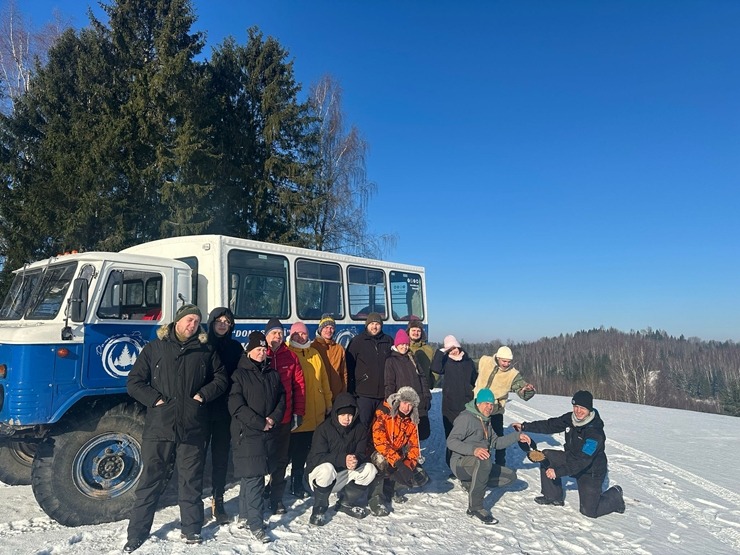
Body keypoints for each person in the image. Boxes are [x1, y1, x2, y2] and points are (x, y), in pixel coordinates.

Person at [124, 304, 228, 553]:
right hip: (160, 426)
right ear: (178, 321)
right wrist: (156, 400)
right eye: (189, 320)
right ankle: (137, 533)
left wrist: (202, 396)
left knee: (191, 480)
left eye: (197, 321)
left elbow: (221, 378)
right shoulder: (155, 348)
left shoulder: (205, 350)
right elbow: (134, 382)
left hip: (193, 427)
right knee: (150, 480)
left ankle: (192, 528)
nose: (192, 325)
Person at [512, 390, 626, 518]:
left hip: (590, 471)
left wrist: (558, 472)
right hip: (572, 459)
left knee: (589, 511)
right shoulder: (571, 419)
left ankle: (616, 495)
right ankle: (553, 496)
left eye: (582, 408)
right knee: (546, 455)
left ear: (589, 409)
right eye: (575, 407)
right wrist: (525, 427)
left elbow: (583, 460)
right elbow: (550, 425)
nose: (578, 411)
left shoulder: (595, 433)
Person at [229, 331, 286, 544]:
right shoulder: (239, 374)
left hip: (267, 431)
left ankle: (245, 515)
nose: (262, 353)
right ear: (249, 351)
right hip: (248, 432)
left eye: (264, 349)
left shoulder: (272, 374)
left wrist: (273, 418)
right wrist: (259, 422)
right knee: (254, 477)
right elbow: (235, 405)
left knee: (250, 475)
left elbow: (282, 398)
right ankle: (256, 524)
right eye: (258, 349)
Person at [447, 388, 531, 525]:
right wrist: (473, 450)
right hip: (460, 463)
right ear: (478, 403)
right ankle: (475, 507)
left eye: (491, 404)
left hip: (479, 464)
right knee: (484, 461)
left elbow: (496, 442)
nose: (489, 407)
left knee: (510, 477)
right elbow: (451, 442)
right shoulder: (465, 418)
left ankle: (471, 483)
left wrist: (517, 436)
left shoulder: (486, 421)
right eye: (486, 403)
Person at [305, 392, 378, 525]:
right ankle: (319, 510)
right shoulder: (324, 429)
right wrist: (342, 459)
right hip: (319, 476)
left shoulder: (360, 429)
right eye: (343, 415)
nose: (347, 418)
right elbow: (316, 458)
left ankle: (346, 503)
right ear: (336, 414)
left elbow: (361, 453)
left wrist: (356, 460)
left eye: (350, 415)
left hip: (343, 475)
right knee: (327, 468)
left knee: (370, 469)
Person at [205, 307, 245, 524]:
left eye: (227, 321)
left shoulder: (235, 347)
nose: (222, 324)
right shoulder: (202, 345)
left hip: (224, 411)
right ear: (211, 323)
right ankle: (192, 502)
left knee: (221, 457)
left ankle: (217, 500)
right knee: (195, 458)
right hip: (201, 410)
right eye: (219, 320)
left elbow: (243, 375)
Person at [286, 321, 333, 499]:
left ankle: (299, 481)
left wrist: (328, 402)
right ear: (291, 335)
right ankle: (278, 483)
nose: (300, 337)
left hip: (317, 413)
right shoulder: (288, 353)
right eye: (296, 334)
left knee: (306, 450)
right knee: (290, 450)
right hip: (299, 413)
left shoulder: (314, 353)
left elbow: (324, 381)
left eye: (303, 334)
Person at [264, 318, 306, 515]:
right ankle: (259, 493)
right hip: (262, 420)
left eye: (280, 333)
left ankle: (276, 498)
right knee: (261, 458)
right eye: (274, 333)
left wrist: (299, 412)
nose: (277, 337)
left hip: (285, 417)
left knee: (281, 460)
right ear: (266, 336)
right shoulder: (259, 353)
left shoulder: (290, 356)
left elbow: (299, 385)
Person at [368, 386, 429, 517]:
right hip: (378, 452)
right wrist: (399, 463)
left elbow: (414, 447)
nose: (407, 408)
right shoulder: (384, 412)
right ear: (398, 401)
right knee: (381, 460)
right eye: (405, 403)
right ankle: (375, 496)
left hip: (398, 455)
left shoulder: (412, 421)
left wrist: (408, 465)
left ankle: (391, 487)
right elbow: (379, 442)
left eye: (411, 405)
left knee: (421, 477)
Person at [475, 346, 536, 466]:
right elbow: (467, 365)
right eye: (504, 361)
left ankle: (500, 465)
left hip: (496, 410)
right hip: (478, 408)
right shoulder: (485, 361)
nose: (506, 364)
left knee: (498, 439)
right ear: (498, 358)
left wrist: (527, 390)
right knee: (477, 437)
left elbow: (522, 390)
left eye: (509, 362)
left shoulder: (513, 374)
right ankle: (478, 464)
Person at [430, 335, 477, 467]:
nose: (453, 351)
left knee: (467, 435)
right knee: (451, 435)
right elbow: (435, 368)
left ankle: (467, 462)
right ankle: (452, 463)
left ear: (458, 346)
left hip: (467, 405)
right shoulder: (445, 362)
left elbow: (475, 379)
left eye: (454, 348)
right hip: (449, 405)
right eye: (450, 350)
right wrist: (441, 352)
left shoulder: (468, 362)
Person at [346, 312, 393, 428]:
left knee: (382, 427)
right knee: (362, 426)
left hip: (383, 394)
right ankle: (362, 446)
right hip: (363, 394)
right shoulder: (357, 341)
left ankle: (377, 447)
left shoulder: (388, 341)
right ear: (367, 325)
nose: (374, 326)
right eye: (372, 323)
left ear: (381, 325)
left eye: (377, 324)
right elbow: (349, 367)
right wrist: (351, 390)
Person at [384, 329, 432, 441]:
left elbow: (422, 378)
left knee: (419, 434)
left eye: (406, 344)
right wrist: (391, 402)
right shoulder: (391, 361)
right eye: (401, 344)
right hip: (402, 404)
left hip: (417, 402)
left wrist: (427, 397)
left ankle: (416, 456)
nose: (404, 347)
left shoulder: (412, 358)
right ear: (396, 344)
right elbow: (389, 383)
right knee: (403, 435)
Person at [311, 313, 348, 398]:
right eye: (326, 327)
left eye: (331, 328)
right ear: (320, 329)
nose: (329, 330)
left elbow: (344, 373)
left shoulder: (339, 349)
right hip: (319, 395)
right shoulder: (313, 348)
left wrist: (343, 391)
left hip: (336, 395)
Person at [407, 319, 436, 388]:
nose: (416, 333)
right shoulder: (404, 347)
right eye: (413, 330)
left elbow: (434, 369)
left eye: (418, 331)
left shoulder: (429, 350)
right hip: (406, 388)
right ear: (408, 331)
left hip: (423, 388)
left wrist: (432, 382)